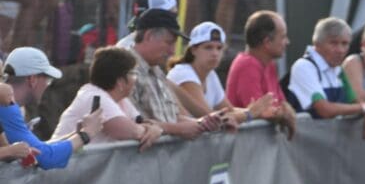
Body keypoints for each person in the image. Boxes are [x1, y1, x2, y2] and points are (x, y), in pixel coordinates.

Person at [0, 47, 102, 169]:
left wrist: (76, 135)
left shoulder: (10, 108)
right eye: (48, 80)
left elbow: (37, 149)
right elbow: (46, 158)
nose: (47, 86)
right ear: (32, 79)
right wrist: (86, 134)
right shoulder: (8, 109)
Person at [129, 8, 222, 139]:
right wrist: (180, 129)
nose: (173, 51)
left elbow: (173, 116)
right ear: (149, 36)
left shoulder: (157, 71)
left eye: (219, 48)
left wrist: (202, 124)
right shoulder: (126, 70)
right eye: (169, 42)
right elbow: (132, 124)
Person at [50, 47, 163, 150]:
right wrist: (152, 130)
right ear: (120, 81)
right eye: (133, 73)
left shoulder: (121, 100)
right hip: (66, 169)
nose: (136, 79)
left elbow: (141, 122)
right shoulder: (95, 97)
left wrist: (154, 128)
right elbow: (132, 131)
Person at [168, 21, 277, 126]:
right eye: (208, 47)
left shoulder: (211, 75)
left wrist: (256, 111)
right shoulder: (183, 74)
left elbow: (228, 110)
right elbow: (211, 118)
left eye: (219, 48)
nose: (215, 53)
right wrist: (250, 113)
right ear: (193, 50)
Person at [287, 17, 365, 120]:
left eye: (345, 44)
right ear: (317, 43)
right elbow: (324, 110)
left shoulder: (338, 70)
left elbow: (355, 102)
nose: (340, 50)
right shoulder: (303, 67)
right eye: (333, 43)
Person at [226, 10, 296, 139]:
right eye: (283, 37)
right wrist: (283, 114)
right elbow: (261, 112)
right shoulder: (247, 65)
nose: (287, 42)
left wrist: (283, 112)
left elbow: (282, 104)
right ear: (267, 42)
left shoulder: (269, 64)